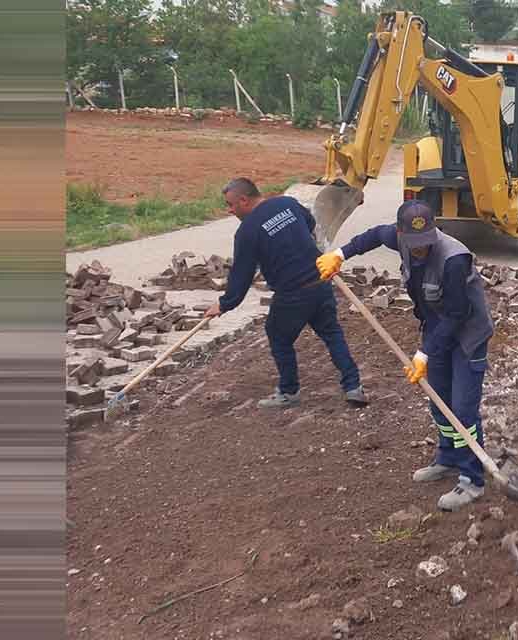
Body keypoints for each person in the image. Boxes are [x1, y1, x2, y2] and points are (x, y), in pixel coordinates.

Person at [316, 201, 495, 512]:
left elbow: (456, 314)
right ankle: (448, 457)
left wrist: (425, 352)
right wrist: (339, 255)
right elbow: (370, 236)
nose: (420, 251)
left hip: (467, 336)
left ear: (433, 231)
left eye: (425, 244)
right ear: (401, 234)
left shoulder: (454, 259)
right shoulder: (397, 237)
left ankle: (472, 478)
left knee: (464, 410)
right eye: (414, 246)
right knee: (439, 401)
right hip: (436, 331)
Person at [204, 178, 368, 409]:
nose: (229, 210)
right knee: (332, 333)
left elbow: (241, 275)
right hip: (320, 282)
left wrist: (223, 304)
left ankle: (289, 392)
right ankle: (353, 387)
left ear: (244, 200)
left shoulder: (247, 231)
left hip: (292, 294)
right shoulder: (287, 204)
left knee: (278, 336)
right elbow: (311, 223)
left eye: (231, 205)